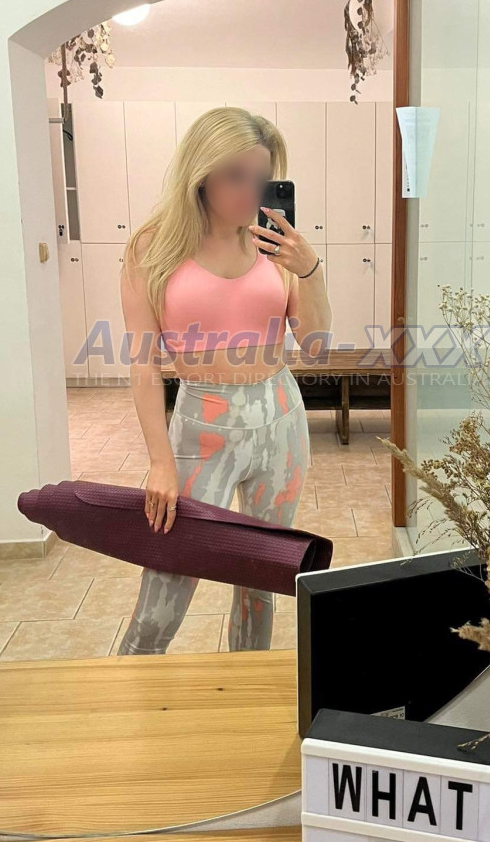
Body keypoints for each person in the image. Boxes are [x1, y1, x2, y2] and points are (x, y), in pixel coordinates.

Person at [115, 106, 331, 654]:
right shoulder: (152, 247)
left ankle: (247, 688)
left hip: (280, 418)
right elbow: (143, 364)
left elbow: (314, 346)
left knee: (262, 581)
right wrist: (159, 461)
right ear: (201, 173)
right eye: (235, 175)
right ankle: (128, 688)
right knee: (168, 578)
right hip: (201, 424)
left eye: (260, 177)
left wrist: (310, 271)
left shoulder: (274, 246)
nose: (248, 191)